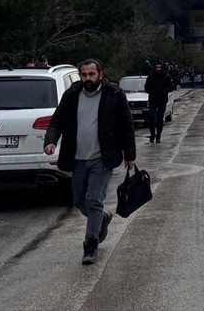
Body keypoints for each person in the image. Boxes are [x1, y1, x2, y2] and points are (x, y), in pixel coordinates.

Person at [44, 59, 137, 265]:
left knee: (94, 199)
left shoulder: (114, 94)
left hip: (101, 159)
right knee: (79, 201)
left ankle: (91, 244)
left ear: (100, 75)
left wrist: (130, 154)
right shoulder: (71, 95)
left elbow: (126, 125)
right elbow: (57, 121)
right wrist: (51, 140)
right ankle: (102, 218)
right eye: (84, 75)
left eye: (91, 74)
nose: (88, 79)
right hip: (77, 159)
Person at [144, 61, 175, 144]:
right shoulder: (151, 76)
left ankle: (158, 136)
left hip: (162, 100)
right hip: (153, 99)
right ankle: (152, 135)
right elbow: (146, 87)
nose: (158, 69)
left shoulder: (166, 76)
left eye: (159, 67)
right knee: (151, 117)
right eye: (157, 67)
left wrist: (164, 91)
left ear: (161, 68)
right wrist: (151, 91)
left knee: (159, 119)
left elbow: (172, 86)